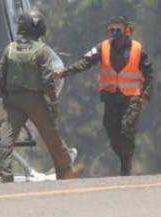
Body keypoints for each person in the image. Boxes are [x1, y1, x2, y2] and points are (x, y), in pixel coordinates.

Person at [0, 9, 82, 181]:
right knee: (51, 136)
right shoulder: (42, 50)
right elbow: (47, 79)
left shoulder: (10, 48)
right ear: (40, 28)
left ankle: (5, 176)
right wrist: (53, 102)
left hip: (14, 98)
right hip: (34, 99)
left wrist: (6, 97)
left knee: (8, 137)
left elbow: (0, 75)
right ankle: (65, 171)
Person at [62, 15, 153, 176]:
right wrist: (65, 72)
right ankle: (124, 156)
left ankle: (126, 165)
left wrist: (146, 96)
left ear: (127, 30)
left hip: (131, 97)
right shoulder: (102, 47)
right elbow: (85, 62)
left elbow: (149, 74)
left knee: (127, 130)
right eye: (112, 30)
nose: (115, 33)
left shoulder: (138, 49)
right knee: (112, 133)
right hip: (111, 97)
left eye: (118, 29)